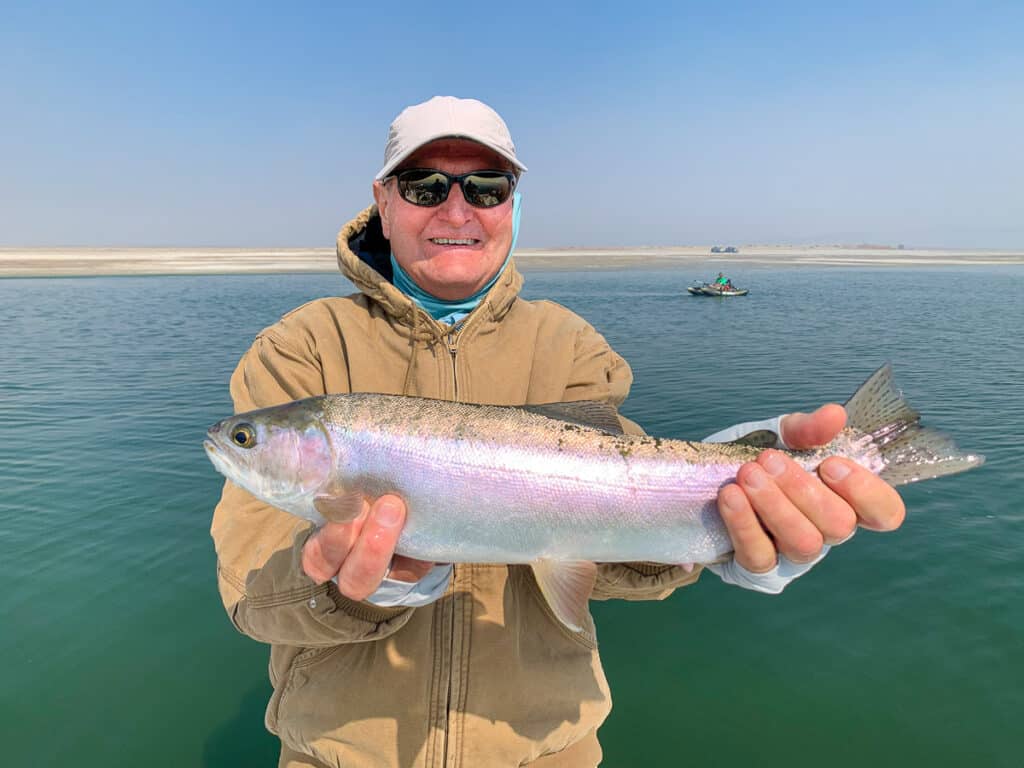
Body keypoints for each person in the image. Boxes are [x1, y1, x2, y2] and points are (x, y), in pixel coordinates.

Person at [211, 96, 905, 768]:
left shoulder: (569, 346)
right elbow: (250, 593)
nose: (456, 209)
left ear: (512, 204)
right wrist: (347, 586)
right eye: (424, 186)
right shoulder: (298, 350)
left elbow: (618, 542)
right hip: (339, 755)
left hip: (548, 750)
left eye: (486, 187)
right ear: (383, 201)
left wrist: (729, 508)